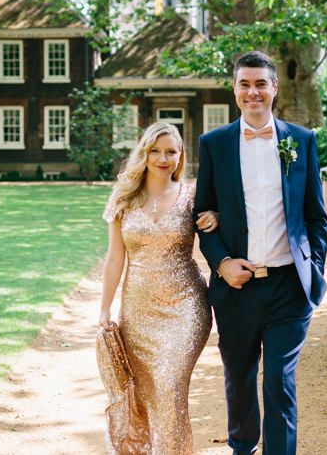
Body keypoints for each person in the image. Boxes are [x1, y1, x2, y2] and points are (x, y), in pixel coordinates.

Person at [194, 51, 327, 455]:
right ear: (234, 89)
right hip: (237, 287)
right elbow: (202, 215)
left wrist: (312, 265)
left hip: (289, 286)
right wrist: (221, 263)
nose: (252, 92)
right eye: (244, 84)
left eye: (260, 84)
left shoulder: (301, 141)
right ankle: (243, 448)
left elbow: (316, 216)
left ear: (274, 88)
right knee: (239, 378)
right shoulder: (214, 144)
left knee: (278, 381)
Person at [99, 122, 218, 454]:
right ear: (145, 152)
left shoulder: (193, 195)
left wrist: (214, 218)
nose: (163, 158)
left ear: (181, 157)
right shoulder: (123, 198)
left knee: (170, 386)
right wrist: (105, 310)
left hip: (185, 308)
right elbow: (114, 259)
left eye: (171, 151)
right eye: (156, 150)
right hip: (137, 311)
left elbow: (222, 226)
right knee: (149, 393)